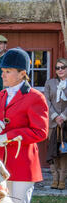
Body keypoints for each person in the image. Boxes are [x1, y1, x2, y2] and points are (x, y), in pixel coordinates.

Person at [0, 48, 49, 203]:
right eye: (2, 71)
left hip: (23, 162)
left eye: (8, 71)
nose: (3, 75)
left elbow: (41, 132)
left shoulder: (35, 97)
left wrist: (11, 135)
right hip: (1, 162)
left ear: (22, 73)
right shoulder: (2, 94)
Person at [45, 58, 67, 190]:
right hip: (52, 123)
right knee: (53, 150)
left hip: (66, 124)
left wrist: (63, 116)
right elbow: (46, 100)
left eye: (63, 67)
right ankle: (54, 178)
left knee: (64, 151)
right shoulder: (50, 83)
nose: (60, 70)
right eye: (57, 68)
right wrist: (55, 116)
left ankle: (62, 179)